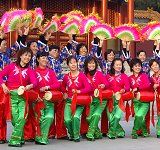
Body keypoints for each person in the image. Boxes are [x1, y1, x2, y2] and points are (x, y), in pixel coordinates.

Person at [0, 47, 37, 147]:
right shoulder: (11, 66)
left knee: (23, 116)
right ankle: (20, 137)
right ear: (20, 56)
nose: (27, 57)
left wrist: (30, 85)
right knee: (15, 119)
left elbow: (34, 82)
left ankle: (14, 140)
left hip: (23, 96)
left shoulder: (30, 70)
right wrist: (3, 85)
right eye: (25, 55)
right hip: (11, 96)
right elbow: (0, 75)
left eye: (29, 56)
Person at [0, 28, 27, 144]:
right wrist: (0, 37)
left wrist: (22, 36)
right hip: (1, 84)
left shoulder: (6, 54)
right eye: (4, 44)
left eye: (6, 44)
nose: (6, 46)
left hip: (7, 87)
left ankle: (2, 136)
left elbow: (17, 49)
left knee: (5, 112)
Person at [23, 32, 51, 142]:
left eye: (36, 46)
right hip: (27, 87)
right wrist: (24, 35)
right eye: (33, 46)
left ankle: (36, 134)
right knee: (28, 112)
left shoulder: (37, 59)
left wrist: (45, 39)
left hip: (36, 87)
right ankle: (28, 134)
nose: (35, 48)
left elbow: (43, 53)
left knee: (35, 113)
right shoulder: (27, 59)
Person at [61, 56, 91, 142]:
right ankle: (72, 133)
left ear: (77, 63)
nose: (73, 64)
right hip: (70, 101)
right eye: (71, 63)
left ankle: (76, 135)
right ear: (68, 65)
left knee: (75, 117)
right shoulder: (66, 77)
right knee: (67, 120)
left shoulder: (82, 75)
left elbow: (88, 88)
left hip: (79, 100)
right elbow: (63, 87)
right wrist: (65, 93)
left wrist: (79, 91)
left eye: (74, 62)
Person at [33, 51, 59, 145]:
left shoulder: (51, 72)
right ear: (37, 59)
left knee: (49, 116)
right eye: (42, 57)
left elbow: (56, 85)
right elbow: (32, 85)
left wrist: (48, 87)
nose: (45, 60)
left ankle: (42, 137)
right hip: (38, 99)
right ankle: (40, 137)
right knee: (40, 118)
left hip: (48, 98)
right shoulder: (33, 72)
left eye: (46, 58)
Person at [84, 56, 109, 141]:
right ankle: (97, 133)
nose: (92, 65)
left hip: (100, 99)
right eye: (90, 63)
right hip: (90, 100)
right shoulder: (84, 75)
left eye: (93, 63)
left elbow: (106, 83)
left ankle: (90, 134)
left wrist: (103, 85)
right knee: (88, 118)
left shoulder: (99, 73)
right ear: (86, 65)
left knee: (96, 115)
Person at [47, 44, 68, 140]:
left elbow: (65, 53)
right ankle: (51, 133)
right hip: (50, 85)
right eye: (54, 50)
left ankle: (62, 133)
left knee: (60, 110)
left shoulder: (58, 60)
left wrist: (71, 40)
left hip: (59, 85)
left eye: (57, 51)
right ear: (49, 51)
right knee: (51, 109)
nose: (56, 52)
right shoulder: (45, 60)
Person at [106, 58, 130, 139]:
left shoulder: (124, 76)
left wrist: (124, 90)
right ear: (113, 66)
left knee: (117, 116)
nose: (118, 66)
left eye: (120, 65)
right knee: (110, 118)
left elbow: (127, 86)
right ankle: (120, 131)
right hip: (110, 99)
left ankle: (112, 133)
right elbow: (105, 86)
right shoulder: (108, 76)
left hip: (119, 99)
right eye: (117, 65)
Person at [129, 58, 150, 139]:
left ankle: (134, 132)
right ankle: (145, 131)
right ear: (132, 68)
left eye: (139, 66)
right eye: (136, 66)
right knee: (139, 117)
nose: (138, 68)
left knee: (139, 115)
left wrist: (137, 88)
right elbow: (128, 87)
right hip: (135, 100)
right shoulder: (130, 78)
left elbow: (147, 84)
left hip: (144, 99)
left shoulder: (144, 75)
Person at [149, 59, 160, 138]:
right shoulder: (152, 78)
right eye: (153, 66)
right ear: (151, 68)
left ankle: (158, 131)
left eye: (156, 65)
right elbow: (151, 89)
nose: (155, 67)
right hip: (158, 97)